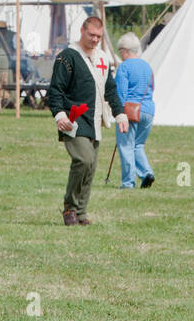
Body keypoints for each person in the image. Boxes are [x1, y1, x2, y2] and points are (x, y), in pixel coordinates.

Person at [47, 14, 128, 226]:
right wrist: (59, 114)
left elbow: (110, 89)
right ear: (82, 31)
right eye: (91, 34)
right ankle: (69, 208)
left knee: (91, 166)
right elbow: (56, 89)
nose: (94, 39)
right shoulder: (68, 57)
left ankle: (81, 212)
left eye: (98, 36)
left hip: (94, 120)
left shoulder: (102, 57)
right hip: (73, 119)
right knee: (83, 159)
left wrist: (119, 113)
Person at [113, 32, 155, 189]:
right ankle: (147, 173)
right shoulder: (147, 66)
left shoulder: (124, 67)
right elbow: (151, 88)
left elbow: (121, 92)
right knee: (138, 145)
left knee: (126, 145)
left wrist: (119, 113)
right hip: (148, 110)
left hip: (130, 110)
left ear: (124, 50)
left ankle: (128, 182)